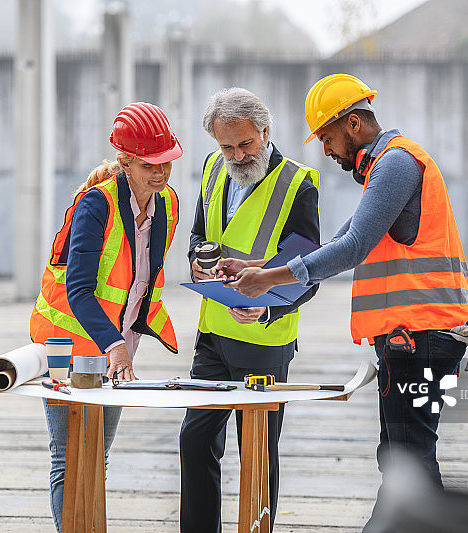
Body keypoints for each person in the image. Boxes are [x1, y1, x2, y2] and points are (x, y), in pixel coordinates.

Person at [223, 74, 468, 529]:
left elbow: (354, 246)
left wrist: (270, 279)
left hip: (419, 338)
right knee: (406, 460)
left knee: (408, 462)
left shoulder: (396, 164)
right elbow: (345, 237)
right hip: (416, 338)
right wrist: (258, 267)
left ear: (353, 123)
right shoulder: (387, 166)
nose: (326, 150)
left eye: (327, 137)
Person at [29, 102, 182, 532]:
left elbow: (143, 278)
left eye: (166, 162)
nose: (160, 173)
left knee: (98, 451)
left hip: (118, 348)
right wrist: (115, 347)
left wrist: (124, 344)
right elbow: (78, 290)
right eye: (150, 164)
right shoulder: (97, 205)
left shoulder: (167, 202)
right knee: (68, 452)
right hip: (68, 343)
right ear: (127, 162)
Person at [179, 87, 321, 532]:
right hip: (214, 335)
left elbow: (309, 273)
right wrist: (198, 264)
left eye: (245, 144)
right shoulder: (211, 169)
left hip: (264, 341)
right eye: (226, 147)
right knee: (195, 440)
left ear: (265, 131)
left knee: (257, 452)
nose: (237, 155)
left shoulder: (298, 184)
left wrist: (265, 312)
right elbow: (199, 235)